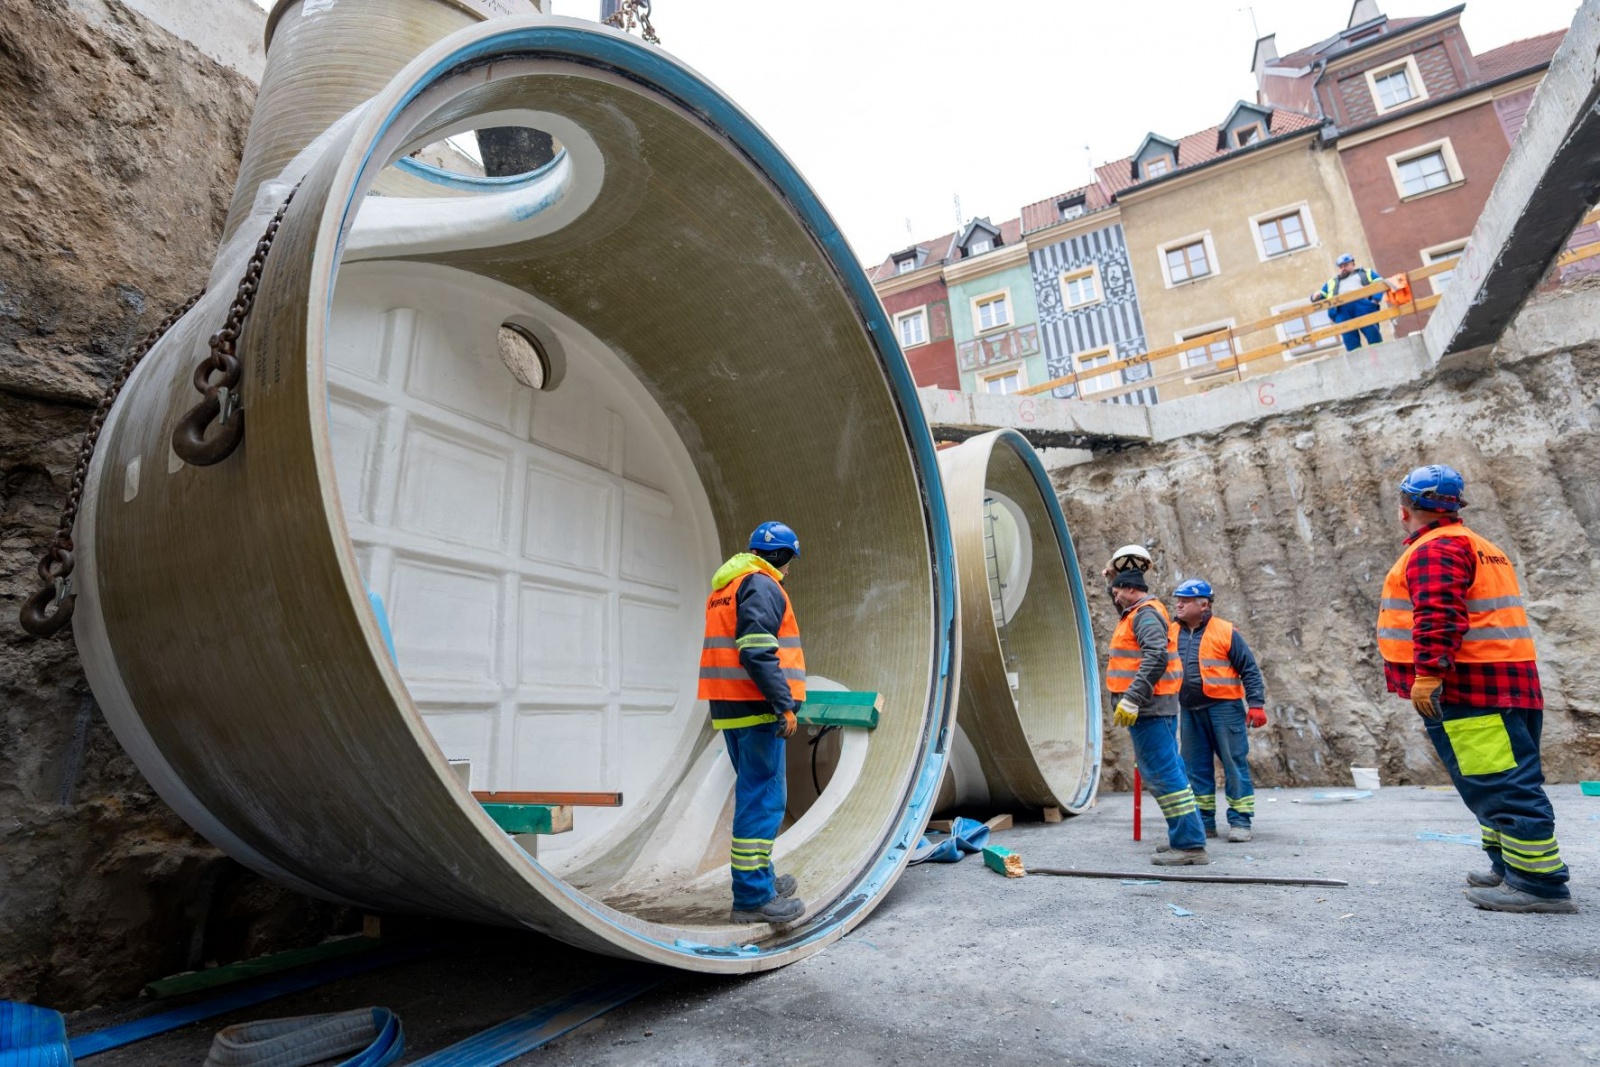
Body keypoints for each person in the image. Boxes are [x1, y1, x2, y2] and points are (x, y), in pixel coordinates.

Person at [1377, 465, 1576, 914]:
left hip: (1472, 687)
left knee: (1501, 781)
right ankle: (1507, 866)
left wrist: (1428, 673)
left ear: (1405, 510)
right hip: (1506, 681)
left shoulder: (1435, 549)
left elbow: (1438, 614)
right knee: (1494, 779)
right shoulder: (1483, 547)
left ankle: (1538, 883)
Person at [697, 521, 808, 924]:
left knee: (753, 793)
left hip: (730, 706)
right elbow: (757, 649)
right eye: (790, 560)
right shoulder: (762, 585)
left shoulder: (726, 587)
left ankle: (762, 879)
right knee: (762, 799)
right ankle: (752, 897)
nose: (790, 569)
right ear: (782, 556)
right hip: (757, 706)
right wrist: (784, 704)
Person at [1104, 567, 1209, 865]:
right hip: (1151, 708)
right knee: (1168, 770)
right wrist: (1111, 579)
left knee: (1164, 774)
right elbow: (1143, 649)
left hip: (1149, 708)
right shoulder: (1137, 612)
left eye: (1116, 592)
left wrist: (1133, 697)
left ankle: (1190, 845)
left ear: (1130, 590)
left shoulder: (1146, 615)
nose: (1115, 598)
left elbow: (1157, 656)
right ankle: (1186, 837)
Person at [1171, 579, 1267, 843]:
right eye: (1177, 599)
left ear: (1203, 605)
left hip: (1225, 709)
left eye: (1185, 600)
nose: (1178, 604)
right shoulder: (1171, 633)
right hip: (1190, 710)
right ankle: (1204, 822)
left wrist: (1256, 704)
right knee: (1194, 769)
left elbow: (1249, 669)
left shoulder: (1225, 631)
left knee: (1234, 764)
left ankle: (1240, 821)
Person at [1311, 253, 1383, 351]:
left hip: (1362, 306)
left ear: (1352, 264)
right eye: (1340, 267)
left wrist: (1375, 300)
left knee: (1371, 330)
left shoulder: (1365, 273)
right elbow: (1320, 296)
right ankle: (1356, 357)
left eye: (1345, 265)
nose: (1343, 268)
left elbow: (1379, 283)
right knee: (1349, 337)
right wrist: (1315, 296)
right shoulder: (1332, 282)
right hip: (1341, 310)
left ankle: (1379, 351)